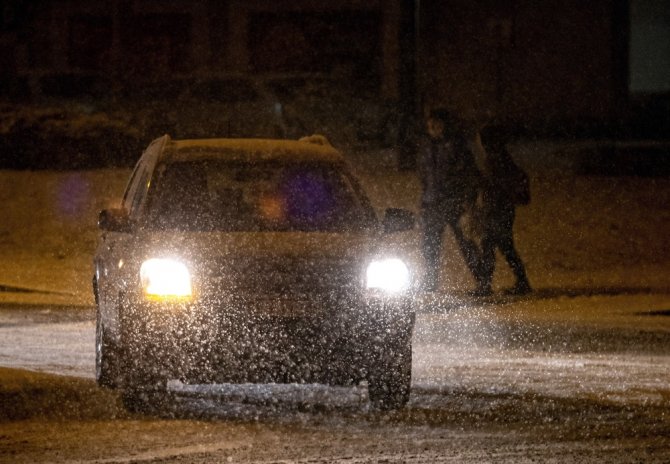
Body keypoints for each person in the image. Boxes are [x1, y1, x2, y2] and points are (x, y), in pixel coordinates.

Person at [418, 108, 486, 292]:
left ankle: (482, 281)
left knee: (465, 243)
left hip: (452, 202)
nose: (433, 128)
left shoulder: (456, 146)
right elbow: (425, 175)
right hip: (432, 202)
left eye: (437, 124)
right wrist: (425, 199)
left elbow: (467, 174)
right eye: (430, 125)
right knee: (430, 245)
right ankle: (431, 281)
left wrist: (465, 198)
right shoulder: (427, 146)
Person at [477, 127, 532, 296]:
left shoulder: (495, 159)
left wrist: (487, 203)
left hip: (497, 211)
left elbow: (495, 186)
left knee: (491, 246)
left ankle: (486, 286)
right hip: (502, 210)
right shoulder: (501, 157)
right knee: (504, 247)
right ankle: (520, 282)